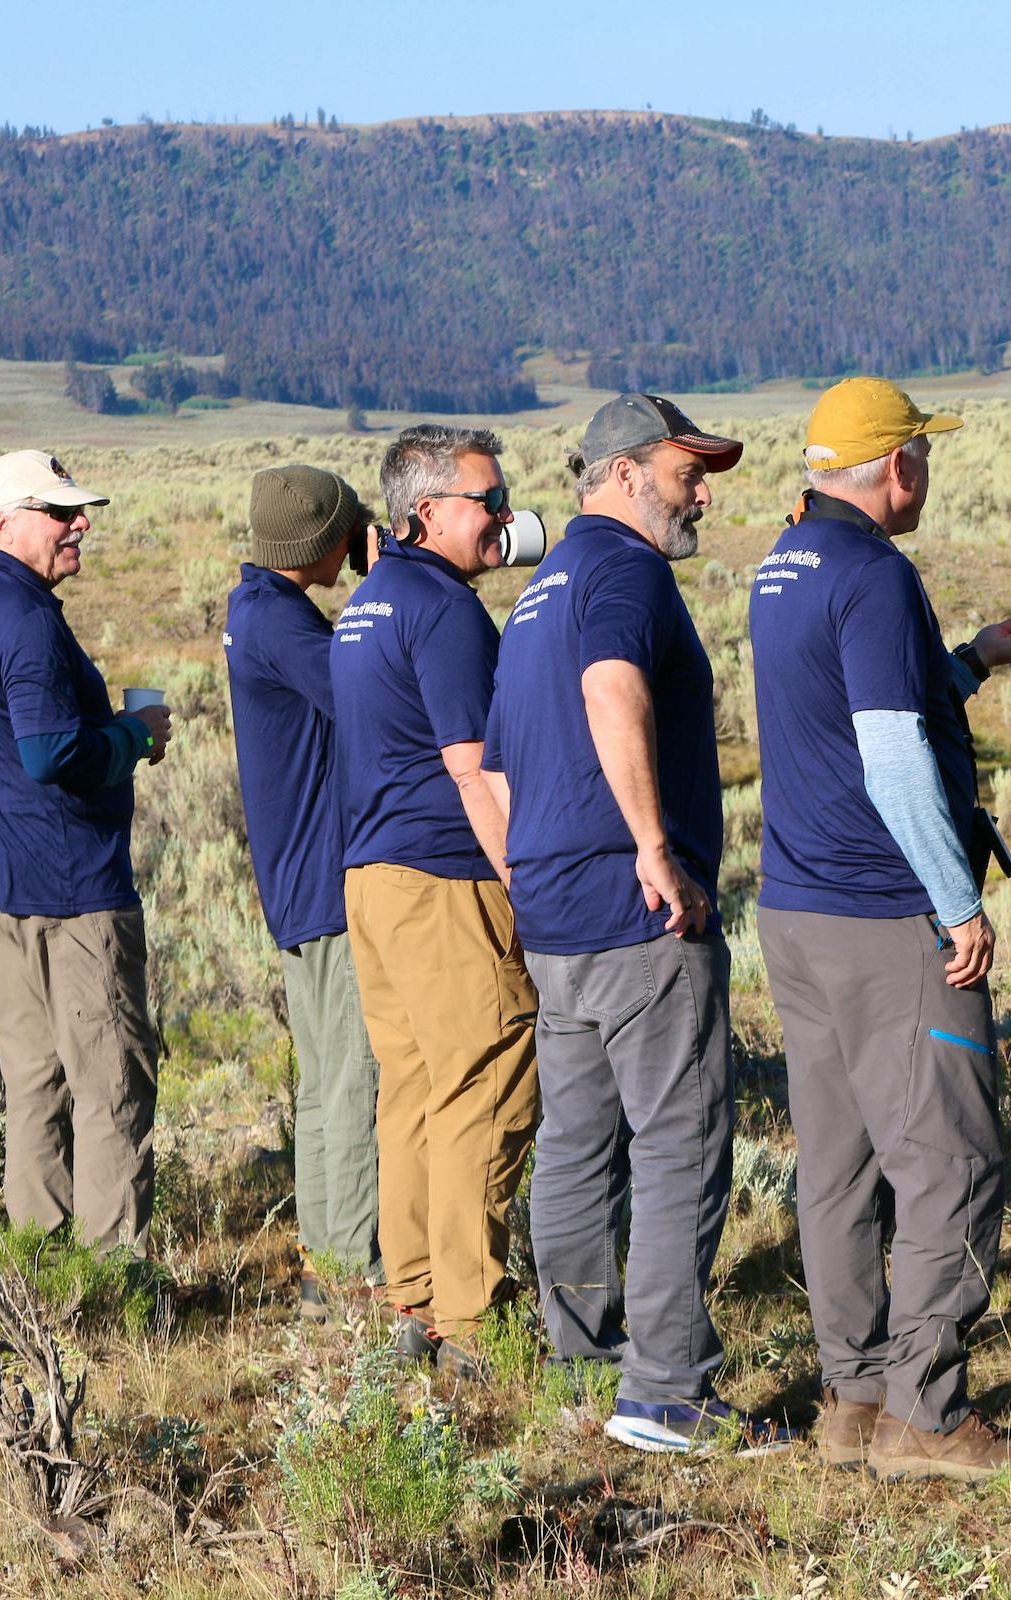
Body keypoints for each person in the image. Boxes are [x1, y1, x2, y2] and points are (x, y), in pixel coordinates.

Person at [484, 394, 788, 1454]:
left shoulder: (539, 590)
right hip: (632, 902)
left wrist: (532, 875)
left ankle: (583, 1358)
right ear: (622, 472)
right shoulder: (623, 570)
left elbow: (499, 764)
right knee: (681, 1141)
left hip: (557, 907)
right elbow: (615, 690)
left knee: (575, 1140)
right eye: (684, 468)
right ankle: (665, 1392)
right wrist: (655, 848)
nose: (700, 487)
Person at [750, 377, 1011, 1483]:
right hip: (886, 919)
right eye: (921, 454)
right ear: (896, 466)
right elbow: (889, 752)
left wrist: (967, 660)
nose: (927, 472)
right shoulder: (875, 575)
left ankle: (853, 1397)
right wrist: (956, 905)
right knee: (952, 1160)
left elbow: (849, 711)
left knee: (836, 1165)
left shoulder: (783, 565)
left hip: (795, 912)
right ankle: (927, 1414)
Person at [332, 424, 540, 1375]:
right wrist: (526, 885)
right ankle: (469, 1317)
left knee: (412, 1089)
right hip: (445, 876)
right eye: (486, 500)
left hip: (372, 878)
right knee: (486, 1081)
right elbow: (473, 769)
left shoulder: (368, 603)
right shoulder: (446, 610)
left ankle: (411, 1290)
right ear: (426, 512)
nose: (504, 514)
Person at [0, 450, 173, 1250]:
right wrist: (134, 735)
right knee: (110, 1082)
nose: (80, 523)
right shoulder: (23, 618)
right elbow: (51, 753)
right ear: (0, 522)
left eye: (78, 510)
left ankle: (40, 1271)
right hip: (70, 890)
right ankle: (109, 1280)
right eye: (58, 513)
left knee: (32, 1084)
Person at [225, 465, 384, 1315]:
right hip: (327, 877)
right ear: (322, 543)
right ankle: (354, 1266)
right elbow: (368, 691)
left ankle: (330, 1260)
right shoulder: (284, 628)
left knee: (327, 1081)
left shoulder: (255, 611)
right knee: (352, 1076)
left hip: (297, 879)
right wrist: (389, 581)